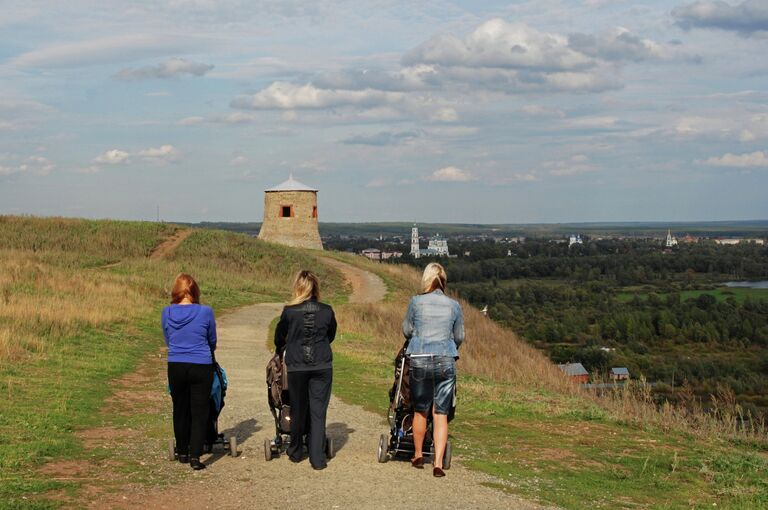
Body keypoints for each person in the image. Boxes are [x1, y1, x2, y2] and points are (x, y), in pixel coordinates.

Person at [402, 262, 464, 477]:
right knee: (441, 413)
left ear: (426, 280)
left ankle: (418, 454)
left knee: (420, 410)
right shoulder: (454, 305)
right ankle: (437, 464)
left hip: (420, 359)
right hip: (445, 360)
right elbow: (459, 337)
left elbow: (407, 329)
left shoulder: (416, 302)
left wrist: (418, 336)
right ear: (443, 281)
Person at [274, 270, 337, 470]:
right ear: (316, 288)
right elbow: (331, 334)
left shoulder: (289, 311)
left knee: (298, 408)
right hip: (322, 364)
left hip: (297, 366)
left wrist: (283, 348)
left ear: (298, 288)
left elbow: (279, 337)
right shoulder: (327, 311)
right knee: (318, 412)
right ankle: (317, 458)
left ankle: (295, 451)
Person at [162, 273, 217, 470]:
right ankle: (195, 456)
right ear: (195, 291)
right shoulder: (206, 312)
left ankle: (182, 451)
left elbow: (168, 338)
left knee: (180, 409)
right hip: (201, 363)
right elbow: (212, 340)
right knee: (199, 411)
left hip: (176, 363)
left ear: (176, 291)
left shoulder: (167, 312)